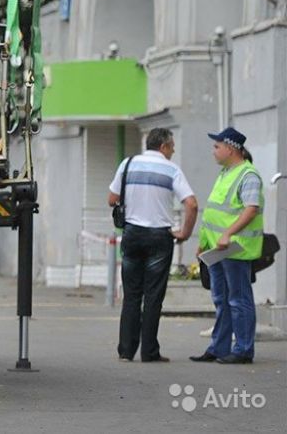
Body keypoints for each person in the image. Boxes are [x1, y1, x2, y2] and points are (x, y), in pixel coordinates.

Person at [107, 127, 198, 363]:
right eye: (172, 146)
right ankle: (149, 352)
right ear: (164, 147)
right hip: (160, 237)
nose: (174, 150)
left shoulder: (127, 164)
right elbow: (191, 204)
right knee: (153, 296)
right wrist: (185, 232)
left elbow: (111, 199)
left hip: (133, 234)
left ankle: (126, 351)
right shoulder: (171, 169)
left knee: (132, 295)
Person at [191, 127, 264, 365]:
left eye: (217, 146)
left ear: (231, 148)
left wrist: (228, 234)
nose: (214, 151)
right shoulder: (225, 173)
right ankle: (219, 348)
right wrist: (203, 242)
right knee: (221, 299)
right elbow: (214, 212)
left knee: (238, 299)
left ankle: (243, 350)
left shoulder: (248, 175)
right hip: (216, 249)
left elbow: (251, 209)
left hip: (235, 247)